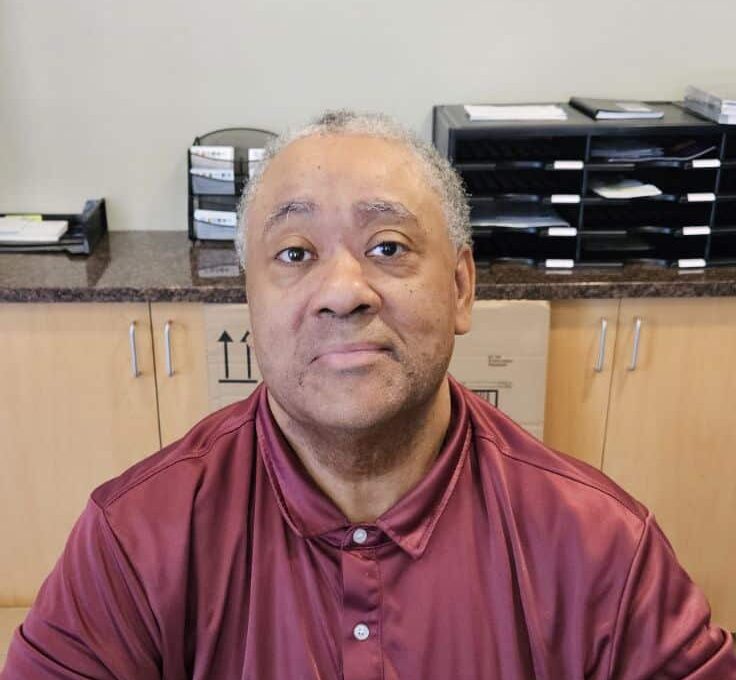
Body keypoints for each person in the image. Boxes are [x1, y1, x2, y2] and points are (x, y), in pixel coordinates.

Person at [3, 110, 735, 679]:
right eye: (295, 254)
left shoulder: (600, 547)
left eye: (388, 246)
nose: (344, 293)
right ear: (247, 302)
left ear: (460, 286)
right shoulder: (135, 540)